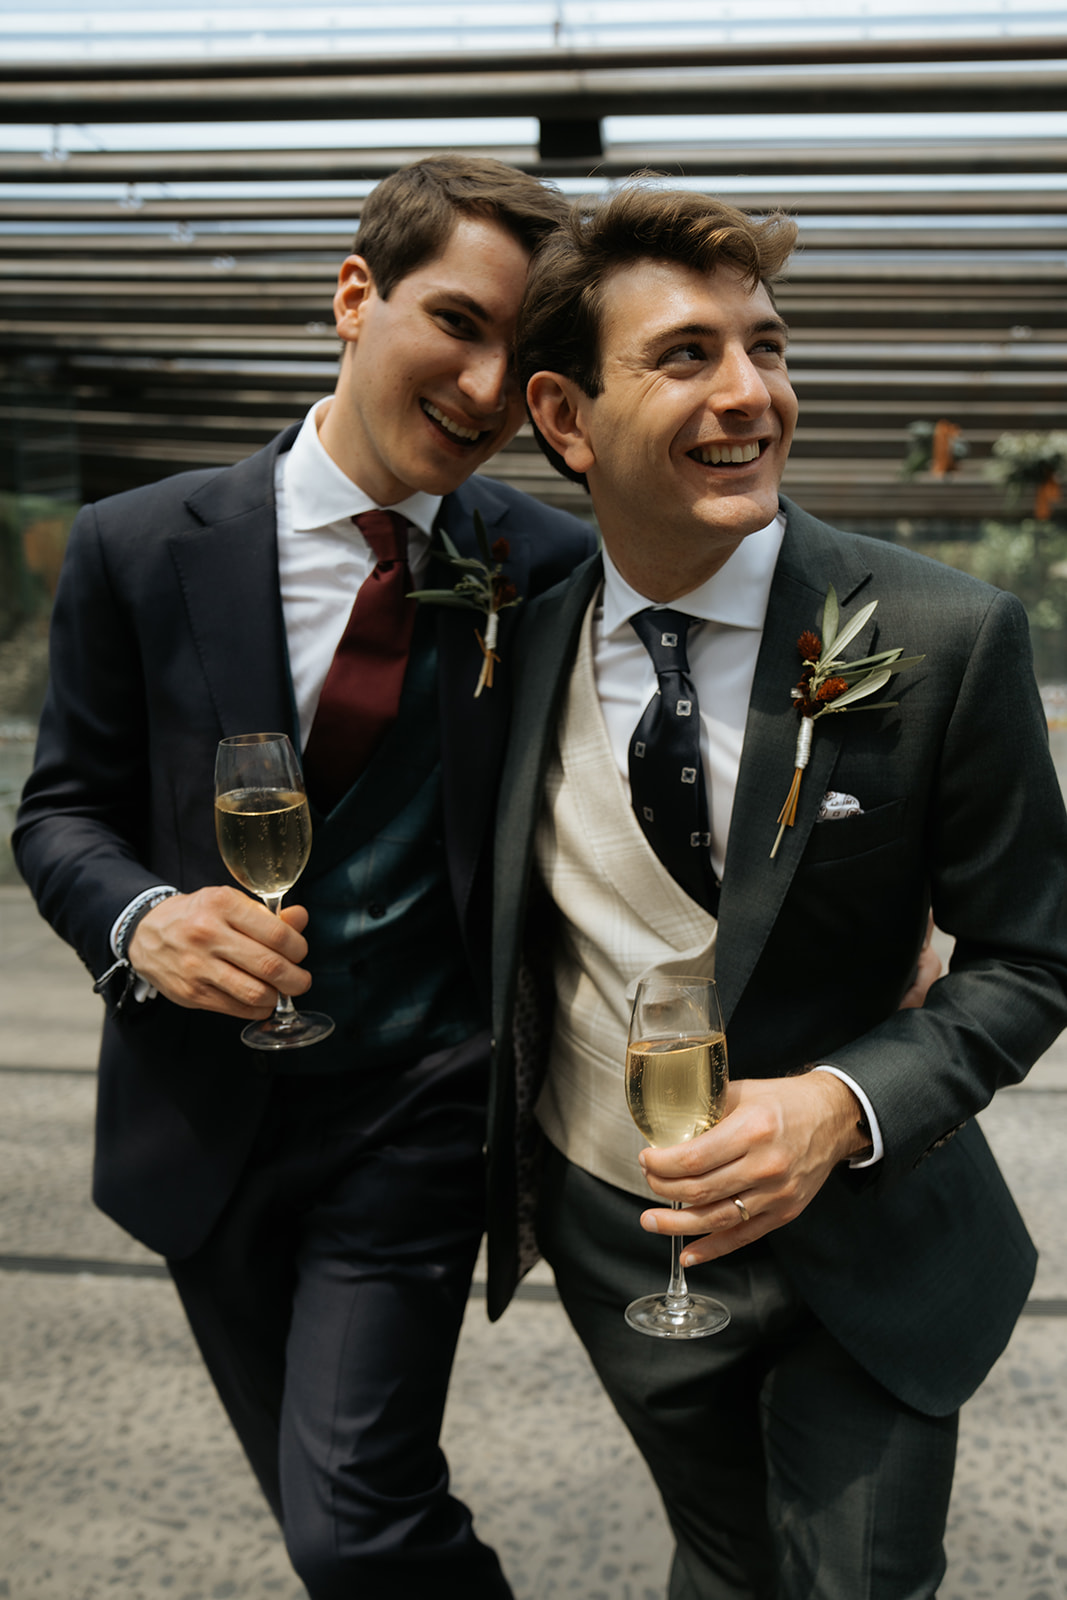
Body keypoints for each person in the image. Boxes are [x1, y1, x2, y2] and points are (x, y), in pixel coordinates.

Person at [14, 155, 595, 1599]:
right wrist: (143, 921)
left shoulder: (552, 569)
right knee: (326, 1507)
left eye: (524, 353)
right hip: (197, 1122)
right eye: (457, 321)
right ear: (355, 297)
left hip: (418, 1116)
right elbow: (62, 811)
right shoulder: (137, 546)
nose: (484, 381)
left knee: (353, 1521)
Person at [485, 185, 1067, 1598]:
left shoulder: (941, 636)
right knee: (727, 1553)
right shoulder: (501, 649)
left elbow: (1035, 953)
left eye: (768, 346)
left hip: (869, 1241)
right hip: (618, 1235)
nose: (751, 393)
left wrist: (840, 1105)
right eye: (686, 355)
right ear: (565, 419)